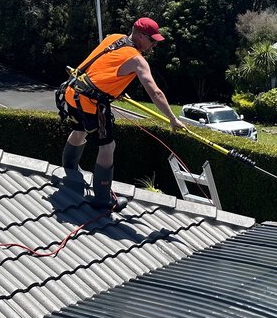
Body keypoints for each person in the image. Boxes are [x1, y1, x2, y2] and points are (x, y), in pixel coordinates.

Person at [59, 17, 184, 209]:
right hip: (92, 103)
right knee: (108, 146)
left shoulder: (113, 38)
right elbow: (155, 92)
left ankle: (69, 171)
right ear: (141, 37)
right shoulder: (137, 60)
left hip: (72, 92)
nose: (154, 46)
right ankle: (102, 198)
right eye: (152, 41)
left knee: (80, 130)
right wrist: (172, 119)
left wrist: (114, 89)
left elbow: (102, 67)